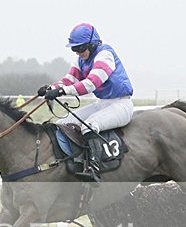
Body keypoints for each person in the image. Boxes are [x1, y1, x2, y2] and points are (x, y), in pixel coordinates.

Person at [38, 23, 134, 183]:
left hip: (121, 105)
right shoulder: (80, 60)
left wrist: (62, 92)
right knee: (63, 123)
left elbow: (91, 83)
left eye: (81, 48)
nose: (78, 53)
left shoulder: (105, 55)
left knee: (89, 125)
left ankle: (94, 169)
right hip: (102, 103)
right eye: (74, 49)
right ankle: (71, 163)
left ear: (92, 44)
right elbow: (69, 80)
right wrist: (51, 88)